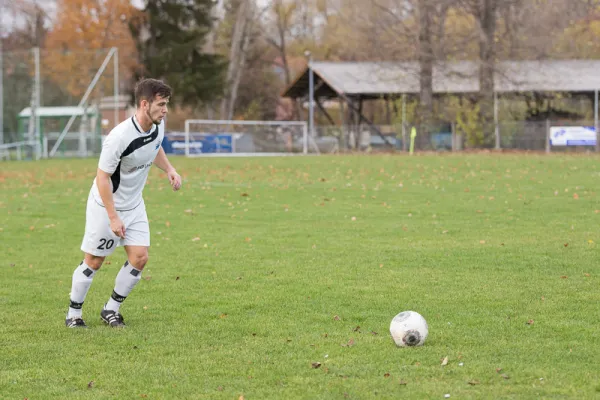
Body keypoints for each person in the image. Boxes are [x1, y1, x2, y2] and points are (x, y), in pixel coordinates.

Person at [65, 78, 182, 328]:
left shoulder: (157, 125)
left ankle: (111, 309)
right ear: (144, 104)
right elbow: (102, 177)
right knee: (94, 261)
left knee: (140, 257)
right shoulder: (119, 137)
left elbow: (155, 147)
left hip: (134, 204)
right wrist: (113, 216)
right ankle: (73, 314)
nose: (165, 109)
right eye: (161, 104)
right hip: (106, 205)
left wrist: (169, 169)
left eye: (166, 104)